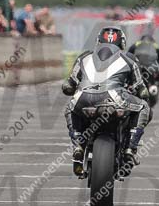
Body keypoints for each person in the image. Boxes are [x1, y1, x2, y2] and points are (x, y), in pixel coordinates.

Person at [62, 26, 151, 176]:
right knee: (143, 107)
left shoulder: (84, 57)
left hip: (83, 98)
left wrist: (74, 88)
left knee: (70, 108)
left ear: (98, 41)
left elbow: (68, 86)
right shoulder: (129, 58)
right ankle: (130, 147)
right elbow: (142, 90)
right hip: (115, 98)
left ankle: (78, 145)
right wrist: (141, 93)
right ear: (122, 43)